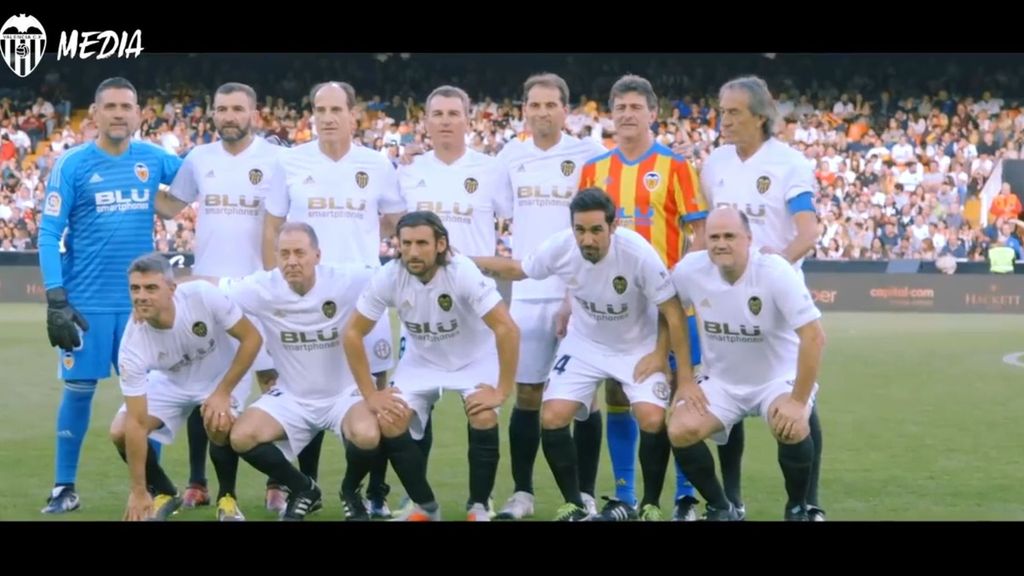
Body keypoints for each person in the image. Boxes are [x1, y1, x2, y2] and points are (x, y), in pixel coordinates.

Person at [473, 188, 695, 521]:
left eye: (595, 230)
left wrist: (667, 360)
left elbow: (673, 311)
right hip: (585, 343)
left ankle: (649, 504)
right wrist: (465, 262)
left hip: (636, 346)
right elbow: (520, 269)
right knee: (552, 417)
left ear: (613, 226)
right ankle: (574, 503)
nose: (587, 239)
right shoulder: (561, 247)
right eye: (580, 230)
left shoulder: (637, 253)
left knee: (651, 418)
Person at [37, 76, 184, 514]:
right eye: (111, 106)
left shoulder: (155, 159)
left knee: (146, 400)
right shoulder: (73, 164)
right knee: (78, 391)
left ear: (140, 114)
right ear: (95, 114)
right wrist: (56, 298)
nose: (120, 113)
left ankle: (154, 490)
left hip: (140, 305)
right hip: (87, 305)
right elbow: (48, 232)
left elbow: (205, 176)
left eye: (127, 106)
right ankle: (64, 488)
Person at [261, 81, 405, 517]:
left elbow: (395, 222)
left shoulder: (377, 164)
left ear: (352, 114)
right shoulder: (289, 161)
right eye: (319, 109)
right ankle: (305, 489)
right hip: (307, 299)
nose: (326, 117)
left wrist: (359, 251)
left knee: (377, 394)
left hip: (366, 299)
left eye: (335, 109)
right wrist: (281, 285)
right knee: (309, 389)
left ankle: (369, 492)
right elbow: (272, 228)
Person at [576, 74, 708, 521]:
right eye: (620, 107)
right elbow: (582, 241)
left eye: (636, 107)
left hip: (668, 306)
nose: (628, 114)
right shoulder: (594, 170)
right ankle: (624, 495)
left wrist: (683, 288)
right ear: (611, 114)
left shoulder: (675, 166)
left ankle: (685, 497)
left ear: (653, 113)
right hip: (616, 309)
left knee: (680, 395)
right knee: (619, 392)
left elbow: (700, 235)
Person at [190, 222, 382, 520]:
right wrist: (167, 289)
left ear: (317, 255)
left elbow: (396, 274)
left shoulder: (348, 279)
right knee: (242, 436)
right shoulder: (261, 287)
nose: (292, 261)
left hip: (343, 395)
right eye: (284, 254)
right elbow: (209, 287)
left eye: (299, 253)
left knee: (367, 434)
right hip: (292, 396)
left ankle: (349, 491)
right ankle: (304, 488)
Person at [699, 75, 825, 520]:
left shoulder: (789, 164)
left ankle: (806, 502)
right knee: (727, 392)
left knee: (799, 400)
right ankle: (731, 499)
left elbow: (809, 231)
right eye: (722, 111)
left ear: (759, 116)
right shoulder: (714, 163)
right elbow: (706, 230)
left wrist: (779, 265)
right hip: (726, 294)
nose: (724, 120)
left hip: (777, 300)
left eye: (733, 112)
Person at [342, 211, 520, 521]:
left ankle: (479, 506)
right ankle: (425, 506)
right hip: (422, 359)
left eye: (422, 243)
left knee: (483, 414)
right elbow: (352, 333)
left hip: (474, 357)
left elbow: (507, 328)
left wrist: (502, 390)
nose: (412, 251)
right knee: (390, 419)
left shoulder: (461, 271)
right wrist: (370, 394)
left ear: (440, 244)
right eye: (406, 243)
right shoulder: (389, 276)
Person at [163, 81, 286, 512]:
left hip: (261, 290)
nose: (229, 115)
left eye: (237, 108)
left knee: (274, 384)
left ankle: (278, 479)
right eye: (221, 109)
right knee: (207, 387)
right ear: (212, 113)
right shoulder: (199, 159)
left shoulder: (277, 159)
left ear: (254, 113)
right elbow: (170, 207)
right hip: (210, 291)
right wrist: (131, 182)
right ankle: (198, 482)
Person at [491, 73, 607, 520]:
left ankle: (585, 494)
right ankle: (523, 492)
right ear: (524, 109)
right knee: (527, 394)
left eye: (550, 105)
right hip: (527, 293)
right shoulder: (510, 156)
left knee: (583, 400)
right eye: (534, 105)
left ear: (566, 109)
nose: (542, 112)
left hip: (578, 295)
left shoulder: (588, 155)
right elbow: (499, 214)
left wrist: (576, 293)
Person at [667, 206, 826, 521]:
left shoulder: (774, 272)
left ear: (749, 239)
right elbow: (671, 314)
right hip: (722, 383)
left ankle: (797, 507)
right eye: (714, 237)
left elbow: (814, 337)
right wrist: (685, 378)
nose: (721, 243)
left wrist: (797, 401)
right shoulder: (690, 270)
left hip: (776, 381)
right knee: (680, 429)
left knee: (792, 425)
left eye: (730, 236)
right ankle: (721, 506)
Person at [112, 253, 262, 521]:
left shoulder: (202, 295)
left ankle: (227, 498)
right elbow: (136, 421)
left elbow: (251, 339)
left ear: (172, 289)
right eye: (135, 289)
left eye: (150, 288)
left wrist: (223, 392)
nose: (141, 296)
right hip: (172, 380)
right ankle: (164, 492)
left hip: (220, 374)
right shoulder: (132, 344)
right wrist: (137, 490)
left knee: (219, 420)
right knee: (120, 431)